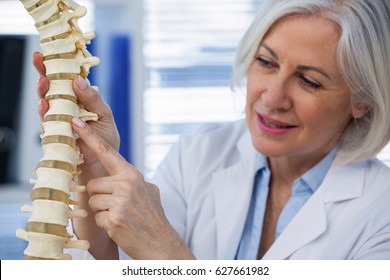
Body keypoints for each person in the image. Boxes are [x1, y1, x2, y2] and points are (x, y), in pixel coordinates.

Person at [33, 0, 390, 259]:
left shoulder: (380, 214)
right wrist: (93, 166)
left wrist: (164, 250)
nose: (273, 97)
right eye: (266, 62)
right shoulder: (198, 155)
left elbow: (155, 253)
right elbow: (118, 265)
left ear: (363, 100)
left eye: (309, 81)